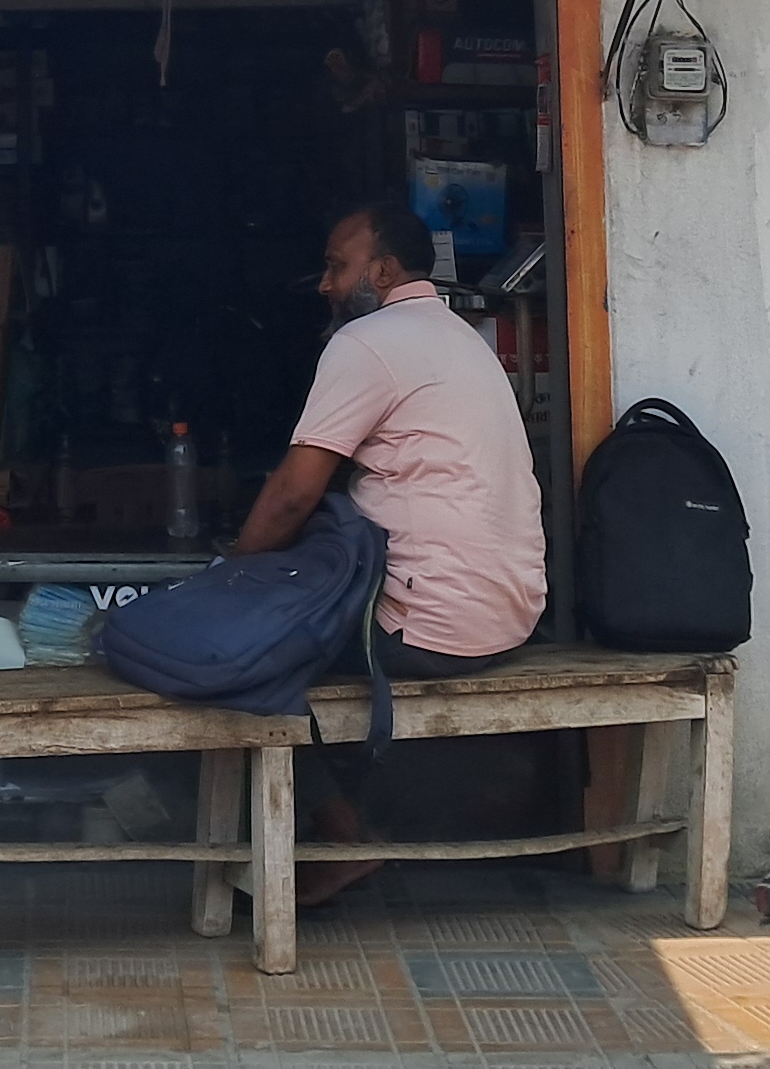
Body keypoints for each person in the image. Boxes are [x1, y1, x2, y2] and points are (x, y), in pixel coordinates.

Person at [231, 199, 550, 901]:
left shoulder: (368, 341)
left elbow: (293, 494)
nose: (325, 284)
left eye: (336, 267)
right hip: (511, 614)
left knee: (241, 660)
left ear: (381, 271)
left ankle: (342, 838)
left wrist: (230, 582)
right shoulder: (462, 337)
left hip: (428, 627)